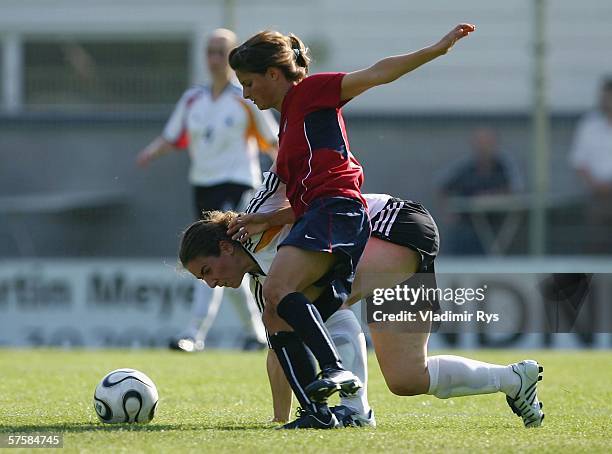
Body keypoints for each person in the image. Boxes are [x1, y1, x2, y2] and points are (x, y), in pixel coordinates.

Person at [226, 23, 477, 428]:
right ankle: (321, 413)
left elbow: (377, 73)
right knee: (283, 312)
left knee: (278, 291)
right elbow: (303, 195)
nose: (246, 94)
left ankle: (341, 384)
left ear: (274, 74)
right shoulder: (289, 123)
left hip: (338, 210)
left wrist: (435, 50)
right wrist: (269, 218)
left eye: (249, 82)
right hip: (324, 212)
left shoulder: (309, 92)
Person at [178, 173, 545, 430]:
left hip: (395, 225)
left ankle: (355, 412)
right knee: (407, 377)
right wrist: (279, 418)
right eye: (203, 280)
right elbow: (279, 349)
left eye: (208, 271)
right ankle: (513, 379)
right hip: (390, 251)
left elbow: (287, 176)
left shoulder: (256, 220)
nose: (212, 284)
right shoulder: (265, 285)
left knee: (325, 301)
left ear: (226, 246)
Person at [137, 28, 278, 351]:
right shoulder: (193, 99)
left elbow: (273, 142)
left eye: (221, 52)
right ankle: (255, 334)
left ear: (231, 57)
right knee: (226, 263)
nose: (214, 59)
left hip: (240, 186)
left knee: (214, 257)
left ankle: (193, 333)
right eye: (210, 52)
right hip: (204, 187)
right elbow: (172, 137)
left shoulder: (245, 97)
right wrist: (148, 154)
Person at [436, 127, 523, 255]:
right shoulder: (466, 170)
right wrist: (447, 212)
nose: (483, 148)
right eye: (480, 143)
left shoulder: (503, 168)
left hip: (496, 224)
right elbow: (442, 188)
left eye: (487, 143)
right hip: (467, 224)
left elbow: (514, 191)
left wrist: (492, 197)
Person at [569, 77, 612, 253]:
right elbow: (578, 161)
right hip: (596, 195)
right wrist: (596, 185)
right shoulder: (588, 125)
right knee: (595, 243)